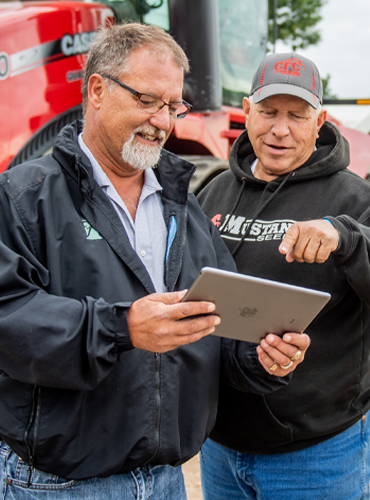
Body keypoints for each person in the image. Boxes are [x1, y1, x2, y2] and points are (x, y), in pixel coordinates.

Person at [0, 26, 310, 499]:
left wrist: (261, 357)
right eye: (147, 100)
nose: (161, 122)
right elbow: (10, 320)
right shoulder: (23, 197)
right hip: (60, 485)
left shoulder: (183, 206)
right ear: (98, 89)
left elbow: (218, 322)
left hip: (164, 480)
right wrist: (122, 328)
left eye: (172, 106)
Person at [198, 51, 370, 500]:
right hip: (219, 443)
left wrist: (345, 239)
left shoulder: (354, 199)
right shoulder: (214, 189)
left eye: (297, 115)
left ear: (320, 121)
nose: (280, 129)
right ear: (247, 110)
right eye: (269, 111)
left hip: (316, 454)